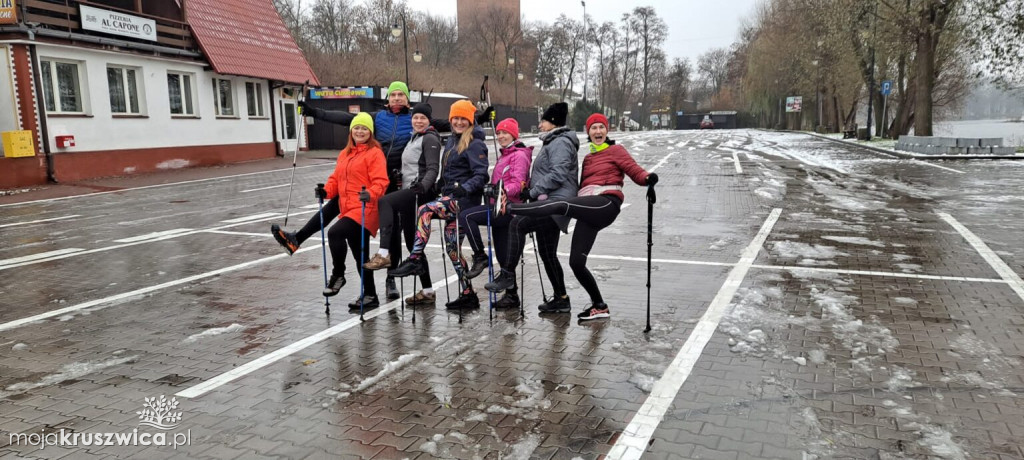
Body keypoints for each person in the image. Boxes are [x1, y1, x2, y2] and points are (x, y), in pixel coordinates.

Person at [277, 81, 492, 301]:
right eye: (393, 95)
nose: (397, 98)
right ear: (387, 98)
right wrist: (313, 112)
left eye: (401, 95)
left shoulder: (416, 119)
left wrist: (481, 118)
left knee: (407, 236)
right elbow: (346, 119)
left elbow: (453, 123)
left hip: (400, 185)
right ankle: (299, 238)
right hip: (380, 181)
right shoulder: (377, 118)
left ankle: (409, 283)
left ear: (408, 99)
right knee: (341, 204)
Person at [500, 113, 657, 321]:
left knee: (560, 205)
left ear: (607, 130)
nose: (598, 132)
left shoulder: (616, 150)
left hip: (606, 202)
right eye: (594, 128)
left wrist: (648, 179)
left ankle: (511, 208)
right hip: (588, 208)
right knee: (576, 262)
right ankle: (599, 305)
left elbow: (633, 170)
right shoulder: (589, 157)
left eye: (601, 127)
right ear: (588, 132)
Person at [388, 100, 489, 310]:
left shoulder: (475, 142)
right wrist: (437, 186)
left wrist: (466, 187)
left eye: (463, 119)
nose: (459, 122)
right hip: (450, 198)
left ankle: (415, 258)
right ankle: (468, 294)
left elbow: (482, 175)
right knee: (453, 250)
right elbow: (449, 173)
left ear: (470, 121)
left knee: (424, 211)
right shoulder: (452, 141)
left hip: (463, 201)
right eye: (455, 118)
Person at [484, 102, 578, 314]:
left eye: (543, 120)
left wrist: (532, 193)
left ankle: (507, 274)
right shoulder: (554, 141)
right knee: (547, 253)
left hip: (555, 203)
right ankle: (561, 298)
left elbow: (558, 174)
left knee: (518, 223)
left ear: (552, 123)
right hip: (550, 202)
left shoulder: (560, 142)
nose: (540, 124)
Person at [362, 103, 441, 305]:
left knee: (385, 202)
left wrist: (423, 186)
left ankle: (383, 254)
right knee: (413, 245)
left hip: (418, 194)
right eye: (416, 118)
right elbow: (412, 166)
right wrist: (400, 177)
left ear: (429, 120)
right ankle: (428, 291)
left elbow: (433, 168)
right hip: (409, 192)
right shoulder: (414, 137)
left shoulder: (430, 138)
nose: (418, 121)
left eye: (423, 118)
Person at [458, 118, 532, 309]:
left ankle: (480, 256)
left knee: (466, 216)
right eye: (498, 133)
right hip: (498, 208)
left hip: (508, 209)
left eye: (505, 133)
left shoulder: (519, 155)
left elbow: (518, 183)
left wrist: (499, 189)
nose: (500, 136)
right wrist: (490, 188)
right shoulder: (505, 154)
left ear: (514, 134)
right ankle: (512, 296)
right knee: (503, 255)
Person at [317, 113, 389, 310]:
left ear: (370, 132)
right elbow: (335, 179)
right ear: (351, 131)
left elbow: (381, 182)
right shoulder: (345, 153)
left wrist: (371, 194)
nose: (360, 131)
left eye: (364, 128)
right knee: (360, 254)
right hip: (349, 208)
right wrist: (325, 191)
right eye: (356, 128)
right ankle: (371, 295)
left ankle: (338, 274)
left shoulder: (375, 153)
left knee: (335, 233)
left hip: (366, 208)